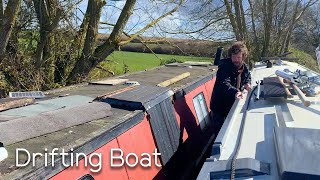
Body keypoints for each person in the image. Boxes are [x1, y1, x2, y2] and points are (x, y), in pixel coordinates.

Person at [210, 41, 251, 135]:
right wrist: (236, 92)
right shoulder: (224, 67)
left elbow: (247, 77)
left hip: (231, 105)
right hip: (219, 108)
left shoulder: (245, 68)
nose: (235, 60)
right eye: (233, 57)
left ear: (243, 57)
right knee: (219, 135)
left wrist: (247, 83)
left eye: (238, 57)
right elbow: (224, 83)